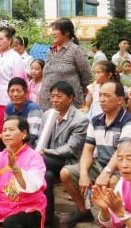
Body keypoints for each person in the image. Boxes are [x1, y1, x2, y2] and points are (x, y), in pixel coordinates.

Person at [60, 81, 131, 225]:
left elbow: (121, 152)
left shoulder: (130, 122)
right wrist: (84, 173)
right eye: (100, 95)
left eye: (107, 96)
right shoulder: (96, 120)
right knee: (65, 173)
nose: (101, 99)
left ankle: (116, 220)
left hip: (122, 169)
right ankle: (83, 211)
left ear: (120, 99)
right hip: (100, 165)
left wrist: (107, 173)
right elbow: (88, 150)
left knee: (113, 181)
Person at [38, 81, 89, 227]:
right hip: (47, 159)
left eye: (59, 96)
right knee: (46, 175)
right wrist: (41, 152)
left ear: (70, 98)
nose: (54, 100)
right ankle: (47, 221)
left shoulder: (80, 120)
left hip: (68, 162)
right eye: (52, 96)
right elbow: (41, 140)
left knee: (37, 161)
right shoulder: (48, 114)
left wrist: (43, 153)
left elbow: (70, 149)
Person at [39, 18, 92, 111]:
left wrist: (82, 96)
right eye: (53, 30)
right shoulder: (49, 51)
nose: (53, 33)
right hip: (48, 104)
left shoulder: (76, 50)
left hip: (69, 105)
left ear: (67, 32)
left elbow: (87, 78)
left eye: (57, 30)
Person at [0, 77, 42, 148]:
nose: (15, 94)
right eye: (12, 91)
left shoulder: (33, 108)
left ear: (26, 93)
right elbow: (6, 130)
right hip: (14, 143)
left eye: (19, 91)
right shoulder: (9, 107)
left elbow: (32, 137)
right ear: (8, 93)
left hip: (31, 147)